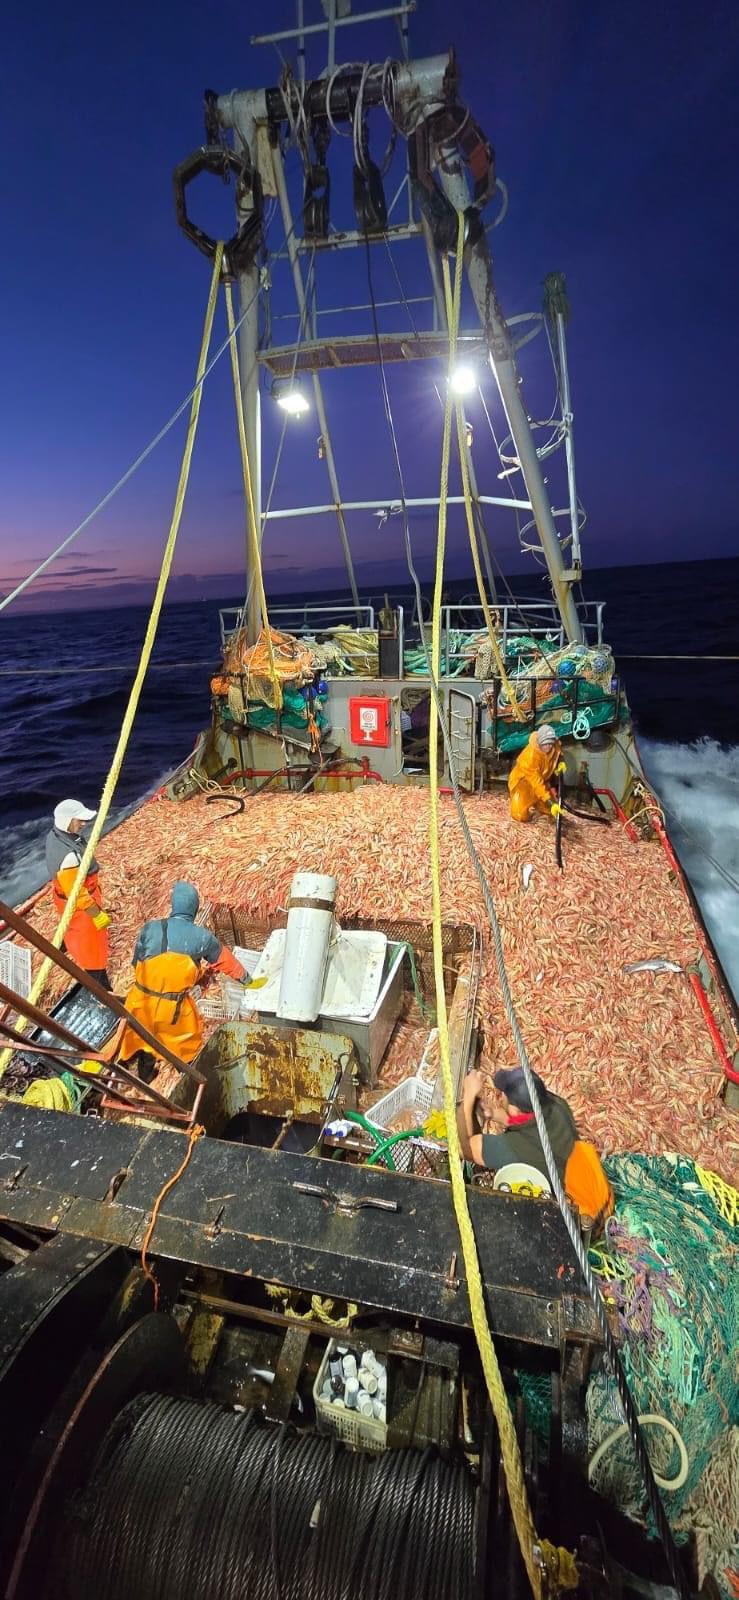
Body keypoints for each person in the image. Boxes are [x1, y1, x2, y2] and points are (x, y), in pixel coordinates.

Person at [457, 1065, 613, 1232]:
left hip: (585, 1219)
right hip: (600, 1192)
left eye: (503, 1095)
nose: (500, 1096)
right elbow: (528, 1125)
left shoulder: (515, 1149)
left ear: (514, 1109)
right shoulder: (556, 1105)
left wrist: (468, 1098)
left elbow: (463, 1149)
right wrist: (495, 1115)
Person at [117, 881, 246, 1082]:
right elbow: (226, 961)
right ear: (194, 910)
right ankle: (191, 1082)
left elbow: (137, 964)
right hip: (173, 1011)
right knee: (185, 1051)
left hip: (140, 1003)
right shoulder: (202, 937)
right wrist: (247, 979)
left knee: (145, 1040)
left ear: (173, 905)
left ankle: (146, 1075)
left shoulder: (149, 928)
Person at [45, 799, 111, 987]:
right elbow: (78, 894)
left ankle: (64, 944)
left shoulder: (55, 835)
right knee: (92, 946)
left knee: (68, 927)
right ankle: (100, 983)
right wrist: (96, 914)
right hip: (80, 905)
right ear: (67, 820)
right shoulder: (68, 858)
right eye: (79, 820)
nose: (83, 824)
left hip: (61, 898)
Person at [508, 724, 566, 823]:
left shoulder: (554, 744)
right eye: (545, 744)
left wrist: (561, 763)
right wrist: (550, 802)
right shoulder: (529, 756)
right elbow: (536, 782)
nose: (548, 746)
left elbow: (559, 753)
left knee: (551, 811)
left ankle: (539, 803)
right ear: (539, 742)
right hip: (524, 783)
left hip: (542, 781)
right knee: (519, 815)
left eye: (550, 743)